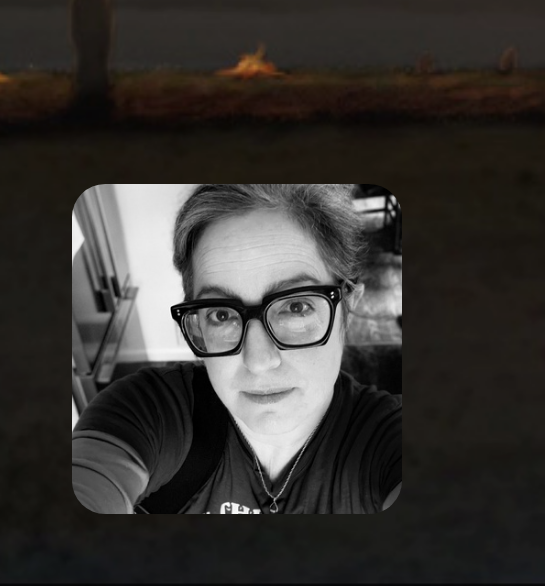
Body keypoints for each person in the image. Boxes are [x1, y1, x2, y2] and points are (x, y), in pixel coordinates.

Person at [72, 184, 401, 514]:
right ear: (199, 325)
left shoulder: (388, 439)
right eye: (221, 314)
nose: (258, 361)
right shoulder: (148, 413)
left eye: (296, 307)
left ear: (348, 307)